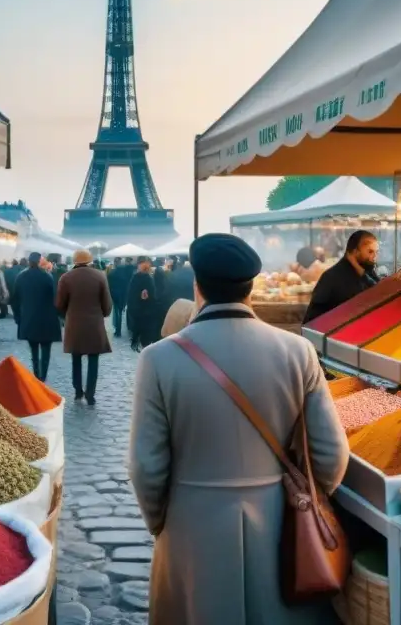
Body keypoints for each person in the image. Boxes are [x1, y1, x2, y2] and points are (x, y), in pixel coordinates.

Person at [129, 233, 349, 624]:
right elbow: (332, 453)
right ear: (251, 288)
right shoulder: (297, 351)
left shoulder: (157, 359)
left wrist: (161, 522)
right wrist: (309, 499)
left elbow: (147, 467)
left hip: (190, 529)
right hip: (279, 526)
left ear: (197, 286)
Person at [56, 249, 113, 405]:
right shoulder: (100, 276)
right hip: (94, 324)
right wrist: (104, 313)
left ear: (74, 261)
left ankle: (78, 391)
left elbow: (59, 304)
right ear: (90, 261)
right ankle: (90, 393)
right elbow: (107, 304)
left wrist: (66, 314)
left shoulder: (66, 278)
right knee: (93, 359)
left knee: (76, 358)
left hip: (74, 324)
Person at [303, 230, 380, 323]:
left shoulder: (368, 272)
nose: (375, 257)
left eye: (376, 252)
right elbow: (311, 321)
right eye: (370, 252)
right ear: (355, 251)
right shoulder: (331, 278)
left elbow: (380, 292)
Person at [10, 252, 62, 381]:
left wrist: (17, 317)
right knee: (46, 351)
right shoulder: (47, 277)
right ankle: (42, 377)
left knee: (33, 350)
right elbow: (55, 298)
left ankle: (36, 374)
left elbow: (15, 300)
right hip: (47, 319)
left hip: (29, 319)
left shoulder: (21, 277)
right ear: (39, 261)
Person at [126, 257, 158, 352]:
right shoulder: (148, 278)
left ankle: (136, 343)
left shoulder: (136, 277)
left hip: (138, 309)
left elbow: (131, 294)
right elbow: (152, 295)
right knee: (145, 332)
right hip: (146, 310)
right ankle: (143, 346)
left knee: (138, 327)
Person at [108, 257, 134, 338]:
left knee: (117, 312)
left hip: (115, 295)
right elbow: (127, 284)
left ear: (115, 263)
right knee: (120, 311)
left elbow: (109, 285)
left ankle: (117, 330)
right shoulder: (125, 273)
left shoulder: (112, 273)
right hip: (123, 295)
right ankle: (119, 329)